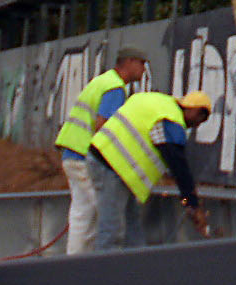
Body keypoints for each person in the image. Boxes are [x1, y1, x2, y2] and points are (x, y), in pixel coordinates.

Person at [89, 89, 212, 250]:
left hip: (112, 164)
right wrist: (192, 204)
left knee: (132, 229)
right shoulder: (171, 120)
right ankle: (105, 265)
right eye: (199, 119)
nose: (196, 125)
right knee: (112, 230)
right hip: (111, 166)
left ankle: (138, 262)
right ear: (195, 110)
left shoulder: (159, 103)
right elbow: (178, 165)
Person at [53, 45, 148, 253]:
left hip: (72, 153)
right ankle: (102, 264)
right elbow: (103, 125)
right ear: (129, 62)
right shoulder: (115, 88)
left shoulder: (102, 80)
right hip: (85, 157)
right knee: (107, 214)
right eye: (141, 63)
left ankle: (74, 263)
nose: (144, 68)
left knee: (82, 215)